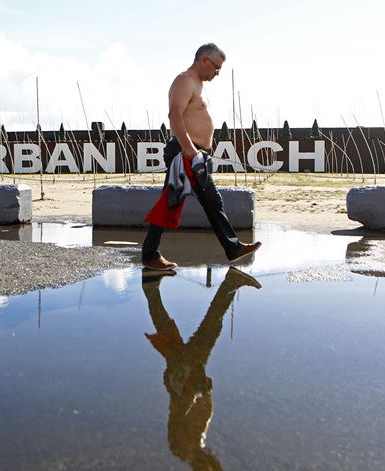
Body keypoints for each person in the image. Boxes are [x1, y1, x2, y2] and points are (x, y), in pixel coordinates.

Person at [142, 43, 261, 271]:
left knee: (181, 201)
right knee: (194, 201)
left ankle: (151, 253)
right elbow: (174, 116)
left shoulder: (198, 85)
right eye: (216, 67)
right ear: (204, 60)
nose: (218, 73)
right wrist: (189, 149)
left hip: (194, 153)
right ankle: (231, 247)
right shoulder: (185, 80)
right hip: (185, 152)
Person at [142, 267, 262, 470]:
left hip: (184, 377)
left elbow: (181, 414)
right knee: (203, 328)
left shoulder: (184, 448)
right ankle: (151, 287)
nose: (214, 460)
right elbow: (200, 412)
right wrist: (204, 391)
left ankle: (229, 284)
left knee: (206, 329)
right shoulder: (192, 444)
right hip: (188, 377)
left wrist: (196, 392)